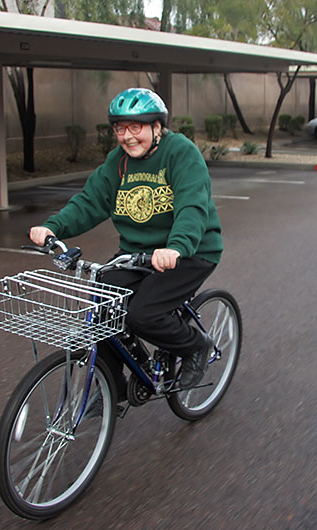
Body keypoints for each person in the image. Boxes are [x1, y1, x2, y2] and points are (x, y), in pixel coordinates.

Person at [29, 87, 223, 394]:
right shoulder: (118, 162)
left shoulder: (180, 153)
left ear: (157, 127)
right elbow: (90, 202)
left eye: (137, 127)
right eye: (120, 128)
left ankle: (195, 346)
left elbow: (191, 206)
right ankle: (113, 389)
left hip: (191, 251)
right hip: (135, 254)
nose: (127, 136)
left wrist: (176, 246)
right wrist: (53, 227)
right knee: (104, 309)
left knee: (141, 314)